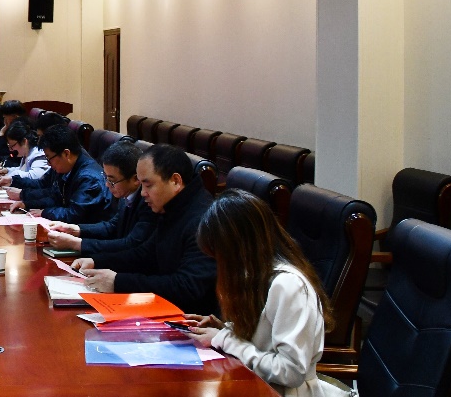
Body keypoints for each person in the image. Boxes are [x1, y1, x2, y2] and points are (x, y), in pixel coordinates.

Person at [185, 190, 347, 397]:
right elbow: (265, 340)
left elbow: (290, 372)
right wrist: (225, 329)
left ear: (239, 249)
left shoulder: (288, 286)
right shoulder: (257, 275)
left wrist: (225, 339)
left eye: (220, 257)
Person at [72, 144, 218, 316]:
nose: (142, 193)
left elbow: (187, 287)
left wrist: (118, 282)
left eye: (148, 185)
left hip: (191, 319)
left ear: (175, 181)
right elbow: (145, 254)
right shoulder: (173, 206)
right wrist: (96, 261)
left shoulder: (203, 219)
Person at [43, 138, 155, 254]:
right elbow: (112, 226)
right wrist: (75, 229)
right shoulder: (125, 194)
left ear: (135, 179)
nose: (107, 184)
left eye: (112, 180)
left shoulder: (149, 202)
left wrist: (76, 244)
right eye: (105, 177)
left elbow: (130, 244)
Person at [0, 125, 112, 223]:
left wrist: (45, 212)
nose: (48, 164)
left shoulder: (89, 178)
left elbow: (75, 214)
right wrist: (26, 204)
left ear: (66, 154)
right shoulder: (66, 166)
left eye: (49, 158)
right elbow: (55, 197)